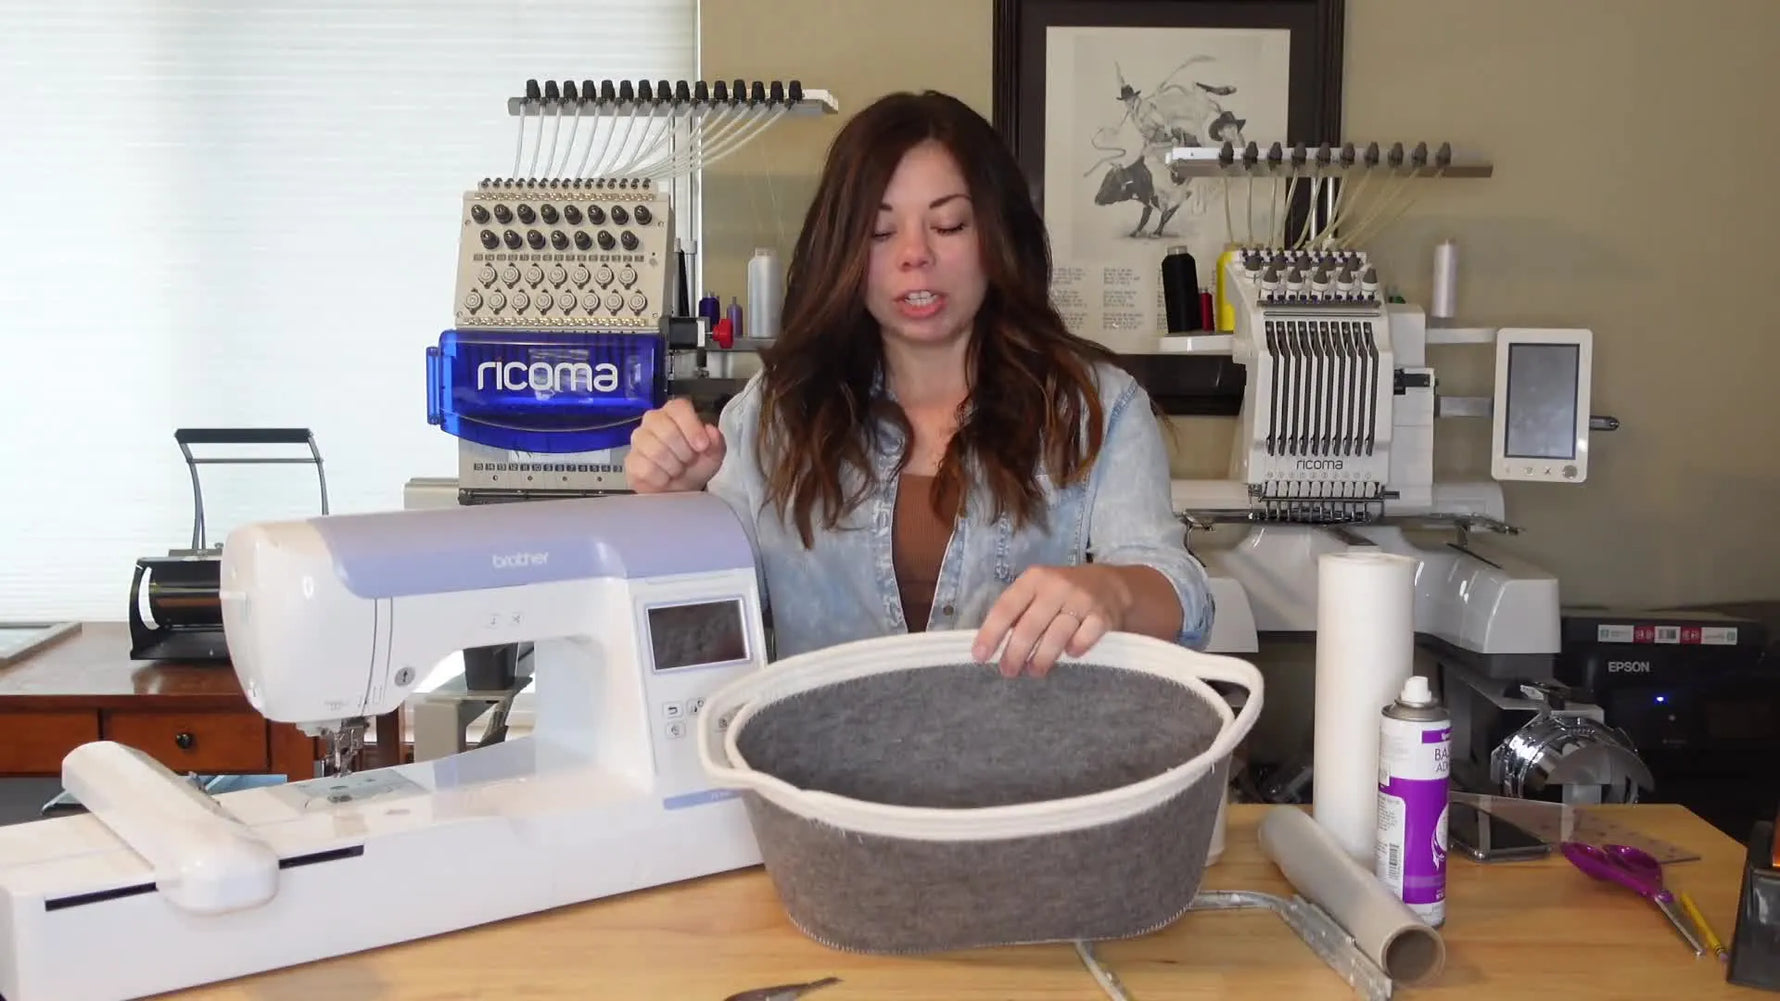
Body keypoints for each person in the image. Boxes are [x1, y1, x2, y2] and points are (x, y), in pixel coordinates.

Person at [625, 90, 1214, 676]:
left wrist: (1112, 590)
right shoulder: (776, 413)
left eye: (949, 224)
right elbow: (703, 629)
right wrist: (678, 507)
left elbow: (1181, 592)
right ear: (844, 252)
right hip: (814, 767)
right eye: (881, 233)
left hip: (1033, 768)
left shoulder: (1094, 407)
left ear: (996, 235)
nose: (915, 255)